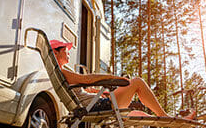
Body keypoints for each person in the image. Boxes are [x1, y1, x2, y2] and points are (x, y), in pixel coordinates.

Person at [49, 39, 196, 120]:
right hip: (98, 106)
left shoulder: (64, 72)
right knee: (137, 81)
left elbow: (85, 88)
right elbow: (87, 79)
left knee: (142, 115)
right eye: (65, 50)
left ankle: (168, 120)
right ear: (55, 53)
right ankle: (165, 117)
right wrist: (114, 78)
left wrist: (101, 92)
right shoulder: (63, 72)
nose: (68, 52)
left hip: (98, 103)